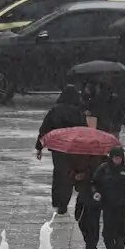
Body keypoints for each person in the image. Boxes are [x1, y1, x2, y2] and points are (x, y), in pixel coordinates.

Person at [36, 85, 88, 214]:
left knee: (58, 173)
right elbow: (84, 130)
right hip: (72, 148)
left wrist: (39, 147)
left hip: (57, 148)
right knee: (69, 175)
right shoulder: (78, 111)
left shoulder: (55, 110)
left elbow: (44, 129)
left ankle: (56, 200)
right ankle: (63, 203)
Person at [91, 147, 125, 249]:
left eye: (120, 158)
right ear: (111, 158)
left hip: (124, 206)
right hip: (109, 207)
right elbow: (94, 183)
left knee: (122, 234)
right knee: (107, 234)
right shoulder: (103, 169)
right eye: (115, 158)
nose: (117, 160)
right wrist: (96, 193)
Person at [70, 154, 105, 249]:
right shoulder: (77, 157)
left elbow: (105, 174)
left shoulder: (102, 158)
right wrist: (76, 177)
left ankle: (91, 246)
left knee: (93, 221)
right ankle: (89, 240)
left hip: (95, 194)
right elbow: (71, 173)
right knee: (80, 219)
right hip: (83, 192)